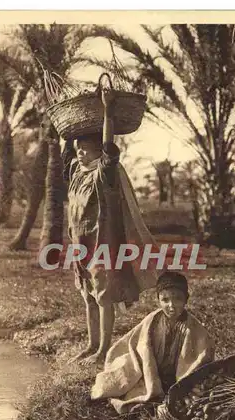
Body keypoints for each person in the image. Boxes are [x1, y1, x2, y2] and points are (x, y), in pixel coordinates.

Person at [63, 87, 157, 366]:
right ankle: (91, 345)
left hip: (103, 243)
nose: (80, 153)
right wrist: (67, 132)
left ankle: (104, 349)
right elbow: (66, 149)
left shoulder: (104, 172)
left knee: (104, 296)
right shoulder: (77, 173)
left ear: (97, 151)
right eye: (79, 149)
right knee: (87, 295)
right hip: (81, 245)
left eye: (85, 149)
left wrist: (107, 111)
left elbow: (108, 148)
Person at [91, 271, 215, 414]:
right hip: (148, 372)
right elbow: (138, 346)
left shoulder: (194, 328)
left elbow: (202, 356)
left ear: (186, 299)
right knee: (129, 393)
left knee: (199, 396)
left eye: (177, 299)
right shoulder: (152, 322)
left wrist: (184, 383)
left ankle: (169, 398)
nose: (171, 305)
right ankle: (154, 393)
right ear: (158, 300)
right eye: (165, 299)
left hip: (179, 377)